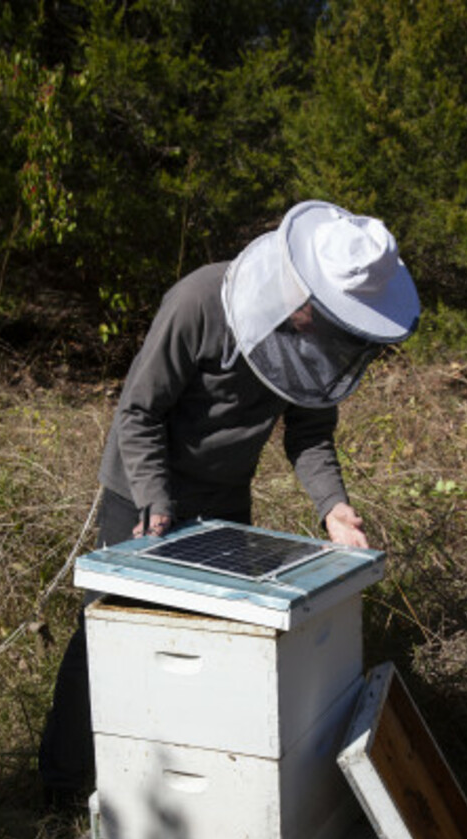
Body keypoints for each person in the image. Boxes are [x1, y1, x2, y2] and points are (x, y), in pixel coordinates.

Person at [39, 199, 420, 806]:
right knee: (111, 638)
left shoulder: (314, 340)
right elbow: (138, 412)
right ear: (296, 286)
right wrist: (156, 501)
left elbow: (310, 432)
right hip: (141, 491)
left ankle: (180, 794)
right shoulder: (198, 301)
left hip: (223, 503)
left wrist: (333, 507)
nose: (327, 331)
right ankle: (59, 784)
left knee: (212, 644)